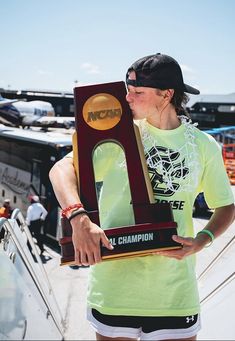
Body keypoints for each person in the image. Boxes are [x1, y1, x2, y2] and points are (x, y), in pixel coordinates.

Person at [49, 53, 235, 341]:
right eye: (127, 90)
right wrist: (78, 218)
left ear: (167, 94)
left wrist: (202, 240)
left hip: (174, 293)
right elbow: (60, 170)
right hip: (114, 287)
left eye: (137, 92)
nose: (127, 99)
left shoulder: (202, 145)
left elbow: (225, 206)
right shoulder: (118, 134)